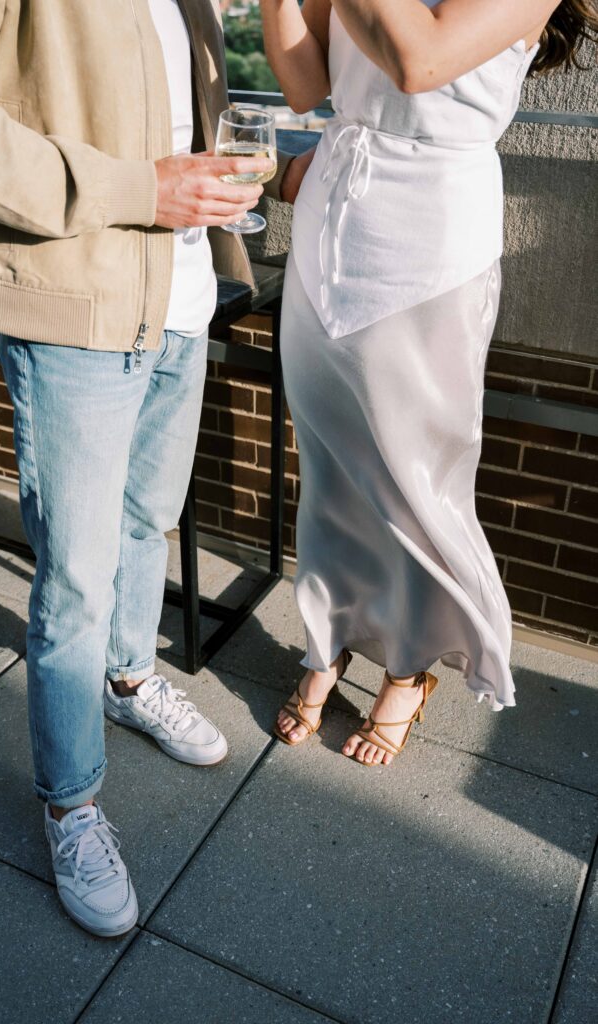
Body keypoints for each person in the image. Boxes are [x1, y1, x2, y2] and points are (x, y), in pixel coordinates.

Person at [0, 0, 298, 938]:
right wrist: (141, 192)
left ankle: (128, 681)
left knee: (145, 521)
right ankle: (71, 804)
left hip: (183, 294)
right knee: (76, 577)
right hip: (77, 299)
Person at [261, 0, 597, 762]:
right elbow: (305, 86)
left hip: (427, 246)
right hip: (330, 219)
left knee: (412, 480)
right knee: (329, 468)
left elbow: (420, 64)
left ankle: (408, 670)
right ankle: (326, 643)